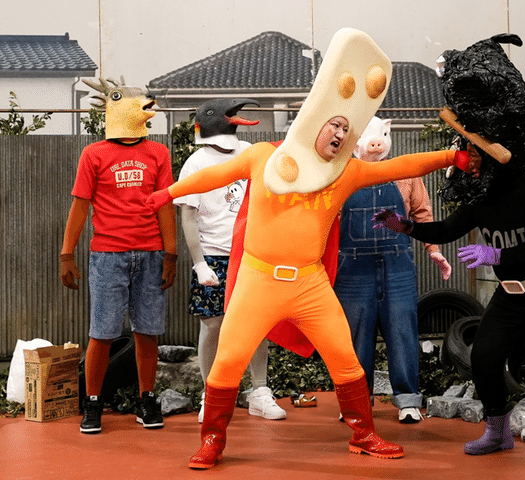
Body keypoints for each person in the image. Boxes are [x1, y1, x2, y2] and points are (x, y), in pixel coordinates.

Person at [146, 115, 473, 469]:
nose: (341, 133)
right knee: (227, 363)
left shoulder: (344, 171)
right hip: (258, 282)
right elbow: (215, 176)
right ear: (312, 121)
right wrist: (168, 193)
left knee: (346, 360)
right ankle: (212, 441)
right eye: (335, 124)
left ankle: (363, 434)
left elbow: (399, 167)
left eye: (346, 129)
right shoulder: (262, 156)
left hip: (310, 285)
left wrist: (450, 157)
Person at [372, 33, 525, 471]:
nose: (467, 157)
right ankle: (498, 431)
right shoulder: (480, 197)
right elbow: (445, 229)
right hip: (512, 295)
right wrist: (405, 225)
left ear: (495, 152)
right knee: (483, 355)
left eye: (472, 150)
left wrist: (496, 257)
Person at [60, 76, 177, 434]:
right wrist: (66, 254)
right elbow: (80, 205)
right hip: (108, 255)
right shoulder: (93, 154)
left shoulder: (158, 153)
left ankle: (146, 399)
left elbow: (165, 204)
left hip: (150, 253)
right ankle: (92, 403)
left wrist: (171, 253)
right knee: (102, 332)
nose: (147, 109)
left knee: (147, 331)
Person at [173, 98, 286, 423]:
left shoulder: (251, 153)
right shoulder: (195, 163)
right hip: (213, 255)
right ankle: (211, 394)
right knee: (213, 325)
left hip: (252, 256)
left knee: (257, 325)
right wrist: (199, 263)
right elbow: (188, 216)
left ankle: (259, 391)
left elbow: (271, 200)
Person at [334, 117, 452, 424]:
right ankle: (357, 404)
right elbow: (324, 221)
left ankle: (408, 401)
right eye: (367, 136)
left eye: (380, 135)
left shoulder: (406, 173)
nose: (375, 143)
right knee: (353, 338)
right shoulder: (339, 174)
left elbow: (422, 214)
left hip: (397, 266)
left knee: (403, 332)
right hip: (352, 271)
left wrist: (434, 250)